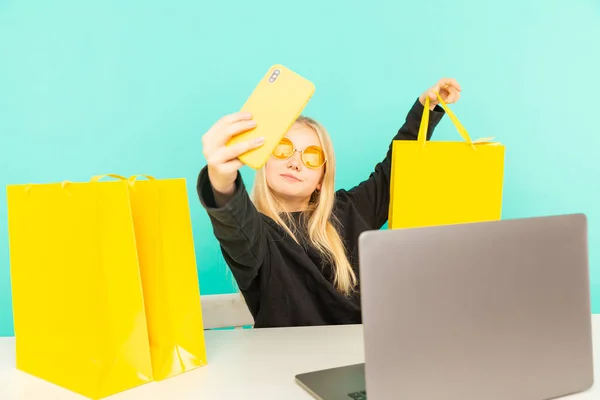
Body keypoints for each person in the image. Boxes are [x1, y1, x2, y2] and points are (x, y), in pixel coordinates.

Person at [197, 78, 461, 328]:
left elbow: (394, 172)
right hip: (283, 364)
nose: (294, 162)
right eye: (282, 148)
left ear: (322, 179)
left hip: (358, 357)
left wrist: (425, 110)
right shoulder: (255, 234)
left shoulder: (349, 210)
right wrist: (221, 177)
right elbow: (234, 223)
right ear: (263, 161)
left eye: (311, 156)